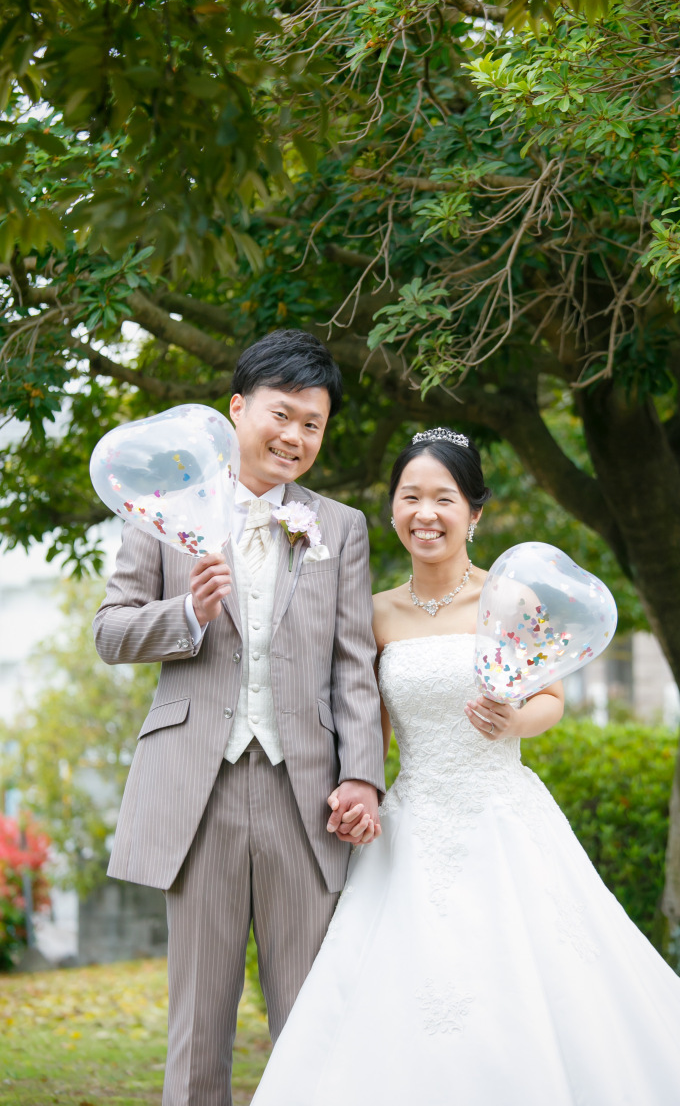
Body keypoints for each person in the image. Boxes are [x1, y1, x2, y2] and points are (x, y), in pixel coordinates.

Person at [251, 426, 680, 1106]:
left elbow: (552, 700)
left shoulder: (508, 602)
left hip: (502, 812)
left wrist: (514, 719)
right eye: (410, 497)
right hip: (412, 828)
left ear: (475, 513)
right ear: (392, 509)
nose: (426, 513)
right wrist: (356, 794)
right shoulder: (372, 612)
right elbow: (371, 731)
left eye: (443, 498)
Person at [93, 330, 385, 1106]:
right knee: (199, 1028)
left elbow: (355, 665)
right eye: (281, 415)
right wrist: (185, 613)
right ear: (236, 409)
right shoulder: (165, 509)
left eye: (313, 424)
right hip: (199, 789)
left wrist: (363, 777)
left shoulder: (342, 527)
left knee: (314, 1021)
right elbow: (110, 630)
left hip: (307, 799)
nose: (294, 436)